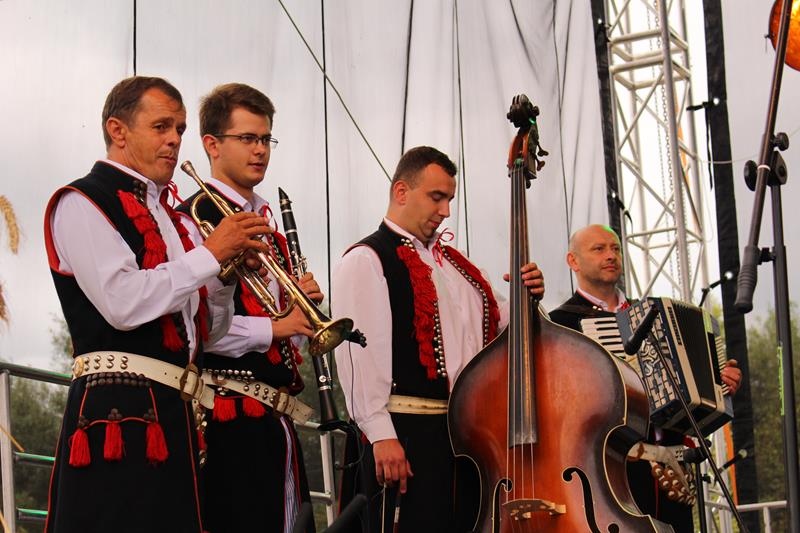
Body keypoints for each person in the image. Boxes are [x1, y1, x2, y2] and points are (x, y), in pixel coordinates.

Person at [43, 76, 271, 533]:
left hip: (174, 411)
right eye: (161, 126)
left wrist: (225, 277)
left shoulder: (168, 215)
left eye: (180, 129)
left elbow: (209, 333)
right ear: (118, 130)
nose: (174, 140)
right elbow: (123, 303)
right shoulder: (82, 200)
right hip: (116, 413)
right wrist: (210, 255)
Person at [332, 146, 545, 532]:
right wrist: (380, 435)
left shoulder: (460, 267)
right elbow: (358, 356)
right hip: (407, 433)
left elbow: (503, 329)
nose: (445, 210)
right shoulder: (367, 258)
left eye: (449, 199)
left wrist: (527, 298)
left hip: (466, 441)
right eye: (436, 197)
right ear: (401, 192)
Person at [177, 83, 320, 533]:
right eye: (247, 138)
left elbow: (284, 345)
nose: (260, 150)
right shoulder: (191, 218)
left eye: (265, 139)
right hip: (225, 416)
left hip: (275, 419)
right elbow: (195, 324)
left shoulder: (269, 229)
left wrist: (302, 318)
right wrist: (276, 328)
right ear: (212, 144)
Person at [548, 223, 742, 532]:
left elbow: (693, 383)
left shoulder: (654, 313)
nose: (610, 255)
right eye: (598, 249)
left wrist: (721, 381)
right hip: (611, 473)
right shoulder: (561, 324)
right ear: (573, 261)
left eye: (615, 248)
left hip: (672, 472)